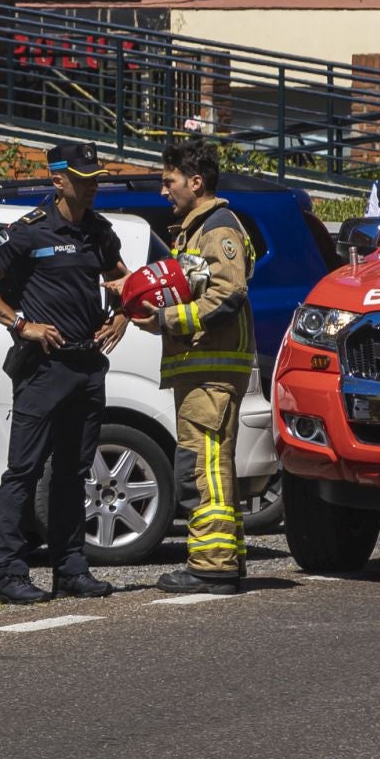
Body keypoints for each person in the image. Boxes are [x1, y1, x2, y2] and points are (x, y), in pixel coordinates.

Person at [0, 141, 130, 606]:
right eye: (82, 178)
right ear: (58, 179)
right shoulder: (29, 230)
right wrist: (20, 323)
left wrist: (122, 314)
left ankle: (71, 568)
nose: (92, 186)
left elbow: (122, 280)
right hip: (44, 368)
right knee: (24, 470)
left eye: (96, 178)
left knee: (75, 473)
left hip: (86, 365)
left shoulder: (99, 232)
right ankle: (9, 574)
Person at [131, 138, 257, 596]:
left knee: (201, 465)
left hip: (213, 369)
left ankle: (212, 565)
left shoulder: (218, 228)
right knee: (209, 463)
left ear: (196, 181)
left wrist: (166, 319)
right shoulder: (194, 228)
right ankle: (225, 558)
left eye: (170, 181)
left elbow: (228, 293)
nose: (164, 191)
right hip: (200, 367)